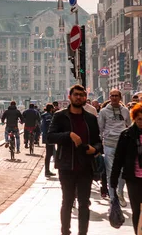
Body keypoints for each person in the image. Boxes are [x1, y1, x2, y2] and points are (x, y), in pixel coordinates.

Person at [48, 84, 103, 235]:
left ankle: (82, 233)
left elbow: (98, 141)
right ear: (70, 97)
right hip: (66, 166)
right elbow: (49, 137)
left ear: (85, 98)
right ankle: (65, 232)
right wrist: (69, 135)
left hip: (86, 167)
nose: (79, 97)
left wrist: (95, 149)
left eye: (81, 95)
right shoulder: (60, 116)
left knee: (84, 204)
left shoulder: (91, 118)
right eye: (76, 95)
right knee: (67, 202)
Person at [110, 102, 142, 235]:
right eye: (140, 119)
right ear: (134, 118)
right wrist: (113, 179)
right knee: (137, 210)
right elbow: (118, 159)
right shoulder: (127, 135)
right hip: (133, 179)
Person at [98, 89, 131, 206]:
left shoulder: (125, 111)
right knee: (110, 171)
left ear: (120, 97)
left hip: (122, 145)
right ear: (109, 97)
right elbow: (100, 128)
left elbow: (129, 125)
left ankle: (120, 192)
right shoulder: (103, 112)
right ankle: (113, 198)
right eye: (112, 96)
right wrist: (100, 143)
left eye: (116, 96)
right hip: (109, 145)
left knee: (123, 171)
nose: (114, 98)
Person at [41, 103, 56, 177]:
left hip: (46, 136)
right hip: (49, 137)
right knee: (49, 154)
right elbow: (50, 127)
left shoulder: (45, 115)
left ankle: (47, 170)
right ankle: (47, 171)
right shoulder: (49, 116)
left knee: (49, 154)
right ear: (51, 109)